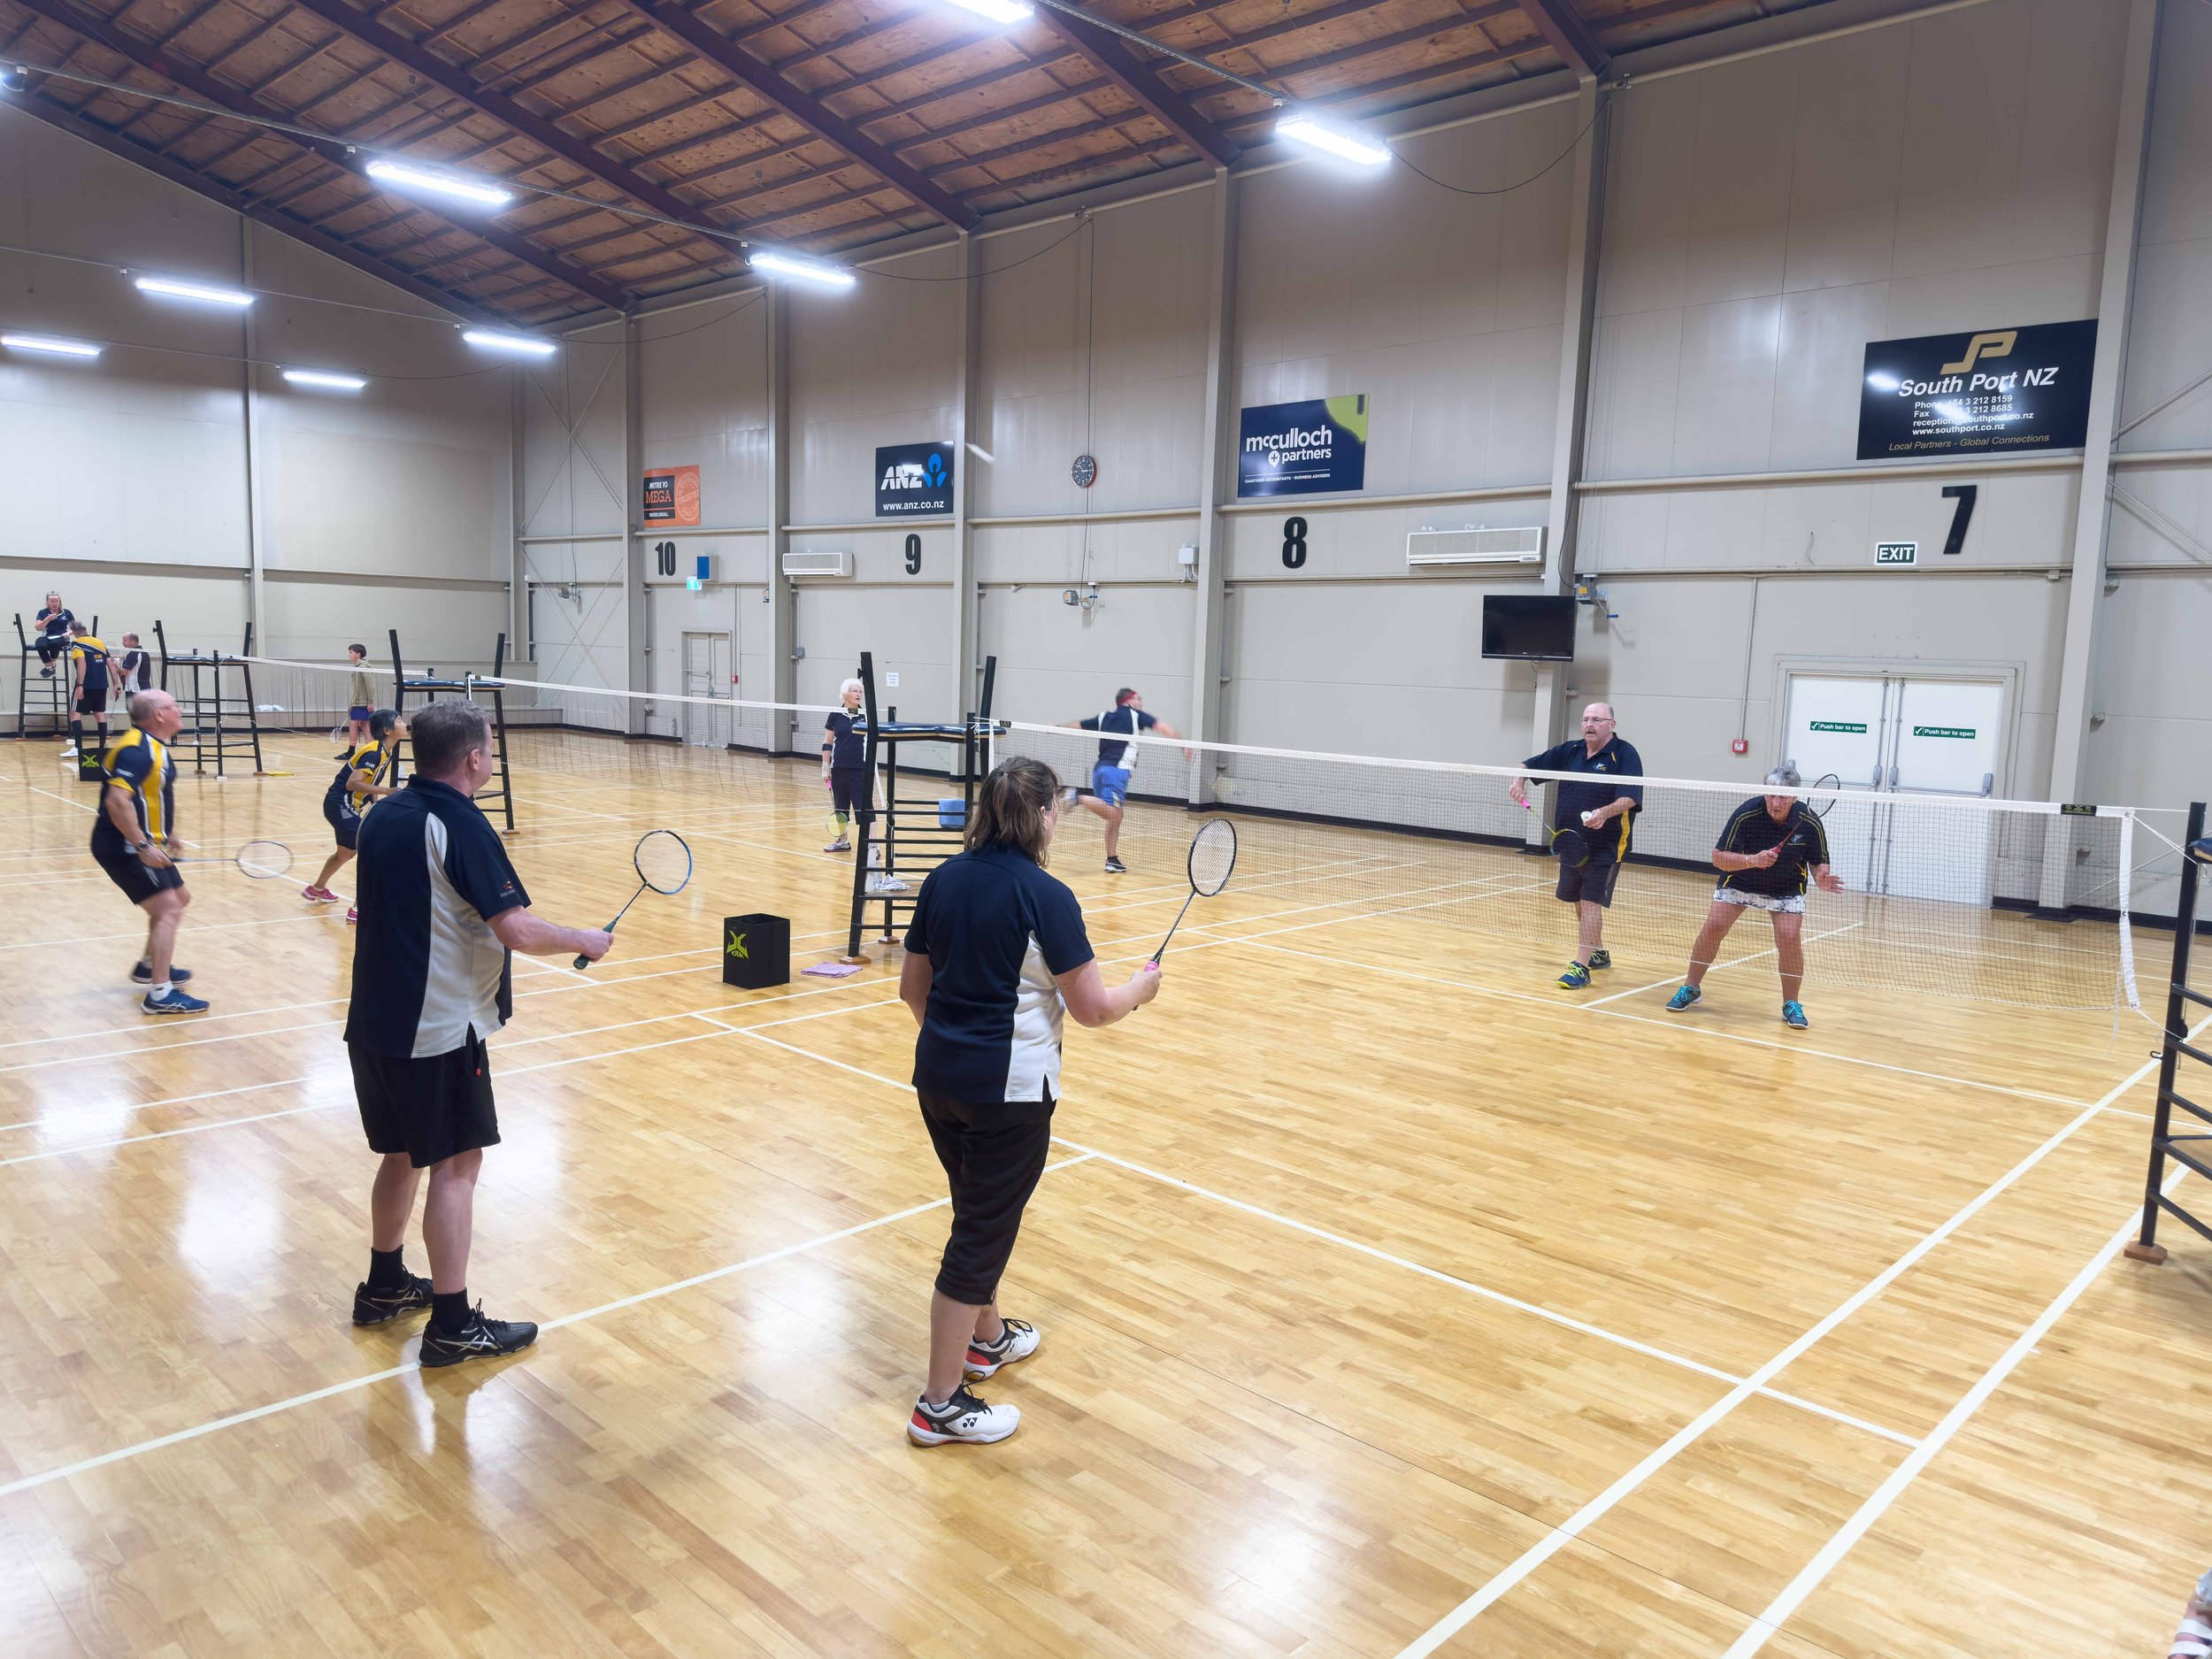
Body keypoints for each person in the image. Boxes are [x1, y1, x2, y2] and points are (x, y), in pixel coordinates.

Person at [898, 756, 1163, 1445]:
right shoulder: (1047, 897)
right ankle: (940, 1403)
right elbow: (1096, 1010)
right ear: (1045, 816)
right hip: (1009, 1097)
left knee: (975, 1213)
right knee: (979, 1236)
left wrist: (954, 1046)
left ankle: (986, 1339)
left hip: (938, 1083)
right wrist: (1141, 987)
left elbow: (911, 989)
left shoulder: (942, 880)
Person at [343, 700, 611, 1361]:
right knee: (458, 1165)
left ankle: (383, 1286)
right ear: (473, 758)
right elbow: (515, 928)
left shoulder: (384, 813)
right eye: (489, 748)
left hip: (372, 1020)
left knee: (402, 1154)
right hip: (435, 1027)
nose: (490, 757)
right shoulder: (459, 822)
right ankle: (453, 1324)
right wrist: (583, 938)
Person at [1666, 768, 1844, 1030]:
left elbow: (1818, 861)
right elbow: (1718, 858)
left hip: (1786, 886)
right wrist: (1753, 860)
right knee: (1714, 927)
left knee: (1789, 938)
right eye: (1771, 795)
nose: (1775, 802)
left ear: (1794, 797)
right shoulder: (1747, 813)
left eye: (1783, 797)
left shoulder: (1808, 820)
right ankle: (1691, 987)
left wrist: (1822, 877)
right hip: (1741, 881)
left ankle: (1791, 1004)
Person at [1510, 702, 1644, 990]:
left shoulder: (1624, 754)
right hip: (1572, 842)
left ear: (1612, 724)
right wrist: (1519, 780)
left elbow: (1630, 798)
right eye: (1585, 719)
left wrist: (1603, 813)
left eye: (1597, 719)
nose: (1589, 724)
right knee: (1577, 899)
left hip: (1607, 844)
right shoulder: (1571, 751)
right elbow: (1527, 764)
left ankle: (1580, 966)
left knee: (1590, 900)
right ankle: (1597, 951)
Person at [89, 689, 208, 1015]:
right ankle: (160, 994)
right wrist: (142, 844)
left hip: (143, 841)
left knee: (179, 899)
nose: (179, 709)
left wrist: (166, 833)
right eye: (173, 706)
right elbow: (117, 801)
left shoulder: (153, 746)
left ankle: (148, 966)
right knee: (168, 909)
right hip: (123, 845)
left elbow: (151, 793)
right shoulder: (137, 750)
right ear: (158, 715)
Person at [1060, 687, 1187, 873]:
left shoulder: (1104, 716)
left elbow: (1078, 724)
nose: (1141, 702)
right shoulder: (1136, 716)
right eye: (1138, 699)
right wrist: (1183, 744)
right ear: (1128, 701)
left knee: (1115, 817)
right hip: (1117, 771)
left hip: (1100, 771)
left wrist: (1056, 728)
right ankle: (1077, 797)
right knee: (1113, 814)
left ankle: (1112, 860)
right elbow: (1163, 727)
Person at [304, 709, 402, 914]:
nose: (404, 723)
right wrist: (387, 791)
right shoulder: (374, 752)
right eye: (399, 720)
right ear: (387, 730)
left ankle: (317, 889)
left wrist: (375, 801)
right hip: (340, 803)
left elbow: (370, 781)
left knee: (346, 852)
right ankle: (359, 910)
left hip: (342, 805)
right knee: (372, 852)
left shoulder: (385, 752)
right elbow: (352, 783)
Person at [820, 677, 867, 853]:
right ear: (845, 694)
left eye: (860, 691)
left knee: (863, 809)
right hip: (839, 768)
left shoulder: (865, 716)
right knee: (840, 808)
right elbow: (828, 741)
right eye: (855, 691)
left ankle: (871, 846)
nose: (859, 694)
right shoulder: (835, 714)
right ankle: (843, 842)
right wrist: (826, 766)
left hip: (860, 769)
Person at [64, 619, 115, 768]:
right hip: (102, 685)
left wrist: (80, 685)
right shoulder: (99, 642)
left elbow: (82, 663)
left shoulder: (77, 644)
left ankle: (78, 748)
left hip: (86, 685)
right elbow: (111, 664)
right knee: (100, 714)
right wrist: (116, 683)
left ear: (75, 632)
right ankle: (102, 746)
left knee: (74, 714)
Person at [31, 589, 72, 677]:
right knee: (40, 644)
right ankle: (49, 667)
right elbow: (38, 627)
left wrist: (68, 633)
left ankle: (52, 663)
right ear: (48, 602)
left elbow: (75, 627)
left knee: (54, 643)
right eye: (52, 601)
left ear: (59, 601)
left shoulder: (66, 612)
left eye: (56, 601)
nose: (55, 603)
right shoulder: (43, 612)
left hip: (62, 637)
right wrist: (48, 619)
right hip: (46, 636)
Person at [343, 643, 374, 752]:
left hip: (362, 702)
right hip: (357, 702)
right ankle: (371, 750)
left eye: (351, 652)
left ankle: (351, 751)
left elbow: (370, 685)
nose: (349, 655)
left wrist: (370, 702)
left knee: (353, 725)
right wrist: (352, 702)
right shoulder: (357, 667)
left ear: (358, 654)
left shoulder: (363, 667)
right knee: (364, 725)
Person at [115, 632, 152, 697]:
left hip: (135, 689)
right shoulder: (144, 653)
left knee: (133, 708)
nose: (122, 643)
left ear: (133, 641)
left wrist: (116, 667)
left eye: (125, 641)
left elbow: (124, 672)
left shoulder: (133, 654)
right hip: (146, 688)